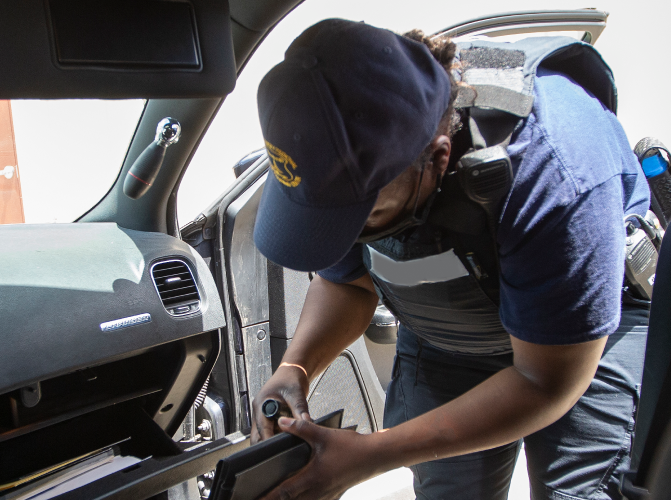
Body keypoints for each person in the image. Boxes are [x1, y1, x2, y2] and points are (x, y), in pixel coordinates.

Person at [250, 18, 650, 500]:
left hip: (579, 338)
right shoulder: (344, 154)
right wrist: (296, 368)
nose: (348, 234)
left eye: (363, 215)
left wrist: (370, 454)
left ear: (438, 158)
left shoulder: (556, 171)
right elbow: (347, 283)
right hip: (449, 331)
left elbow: (545, 381)